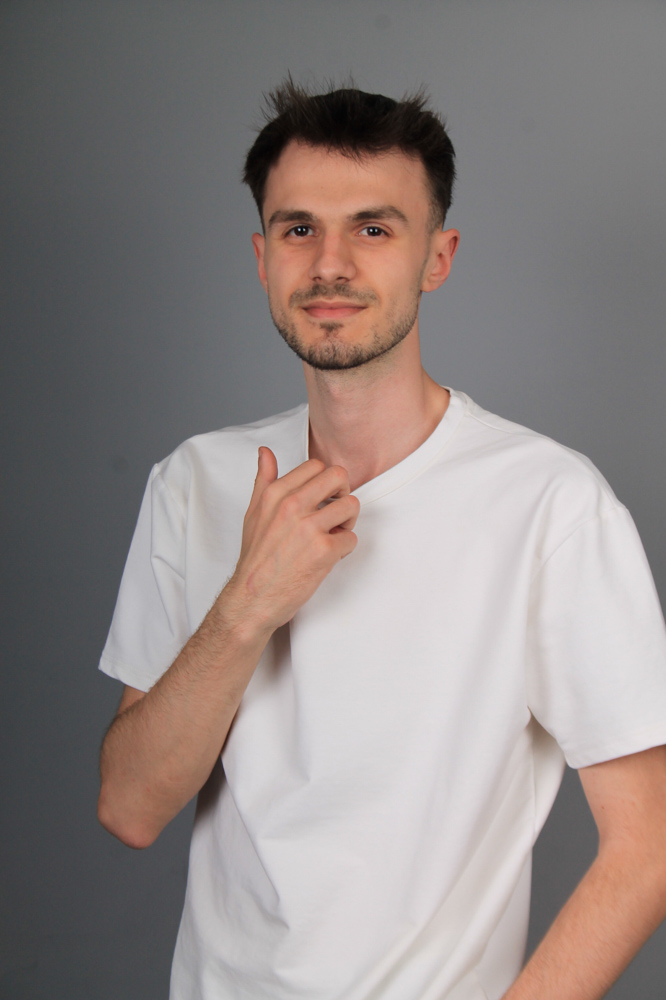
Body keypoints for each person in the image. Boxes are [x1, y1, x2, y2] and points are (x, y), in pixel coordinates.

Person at [97, 80, 666, 1000]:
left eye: (372, 228)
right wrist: (246, 607)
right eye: (298, 229)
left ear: (437, 257)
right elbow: (129, 807)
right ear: (262, 256)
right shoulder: (194, 482)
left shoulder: (551, 506)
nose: (330, 265)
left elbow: (650, 847)